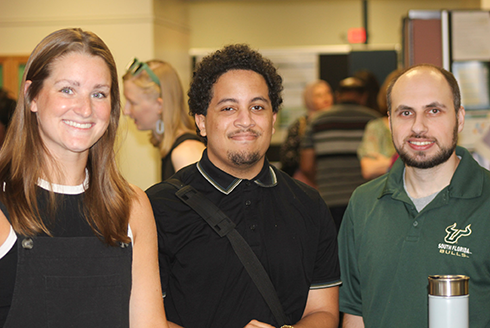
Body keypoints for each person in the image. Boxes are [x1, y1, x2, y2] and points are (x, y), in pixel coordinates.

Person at [146, 44, 341, 328]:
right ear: (201, 122)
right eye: (228, 108)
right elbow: (149, 318)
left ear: (273, 120)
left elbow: (323, 312)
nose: (245, 120)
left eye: (257, 107)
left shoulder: (308, 204)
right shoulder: (160, 207)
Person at [0, 28, 168, 328]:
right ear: (31, 96)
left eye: (98, 93)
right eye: (68, 89)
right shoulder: (4, 202)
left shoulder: (132, 206)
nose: (85, 108)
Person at [339, 64, 490, 328]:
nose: (418, 127)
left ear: (460, 118)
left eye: (434, 111)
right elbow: (355, 313)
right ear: (389, 122)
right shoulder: (363, 203)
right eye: (405, 112)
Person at [300, 77, 380, 231]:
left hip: (329, 199)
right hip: (366, 202)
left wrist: (324, 183)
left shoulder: (317, 121)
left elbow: (306, 165)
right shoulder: (374, 120)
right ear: (363, 97)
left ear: (338, 95)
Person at [123, 59, 205, 180]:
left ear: (160, 105)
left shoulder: (186, 153)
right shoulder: (172, 150)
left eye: (132, 102)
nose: (126, 111)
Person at [280, 80, 333, 186]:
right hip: (303, 182)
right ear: (309, 99)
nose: (325, 98)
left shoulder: (335, 122)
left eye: (328, 93)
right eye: (319, 95)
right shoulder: (301, 125)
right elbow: (288, 158)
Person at [357, 69, 401, 180]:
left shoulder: (420, 128)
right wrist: (402, 164)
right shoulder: (376, 127)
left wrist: (386, 163)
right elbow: (369, 170)